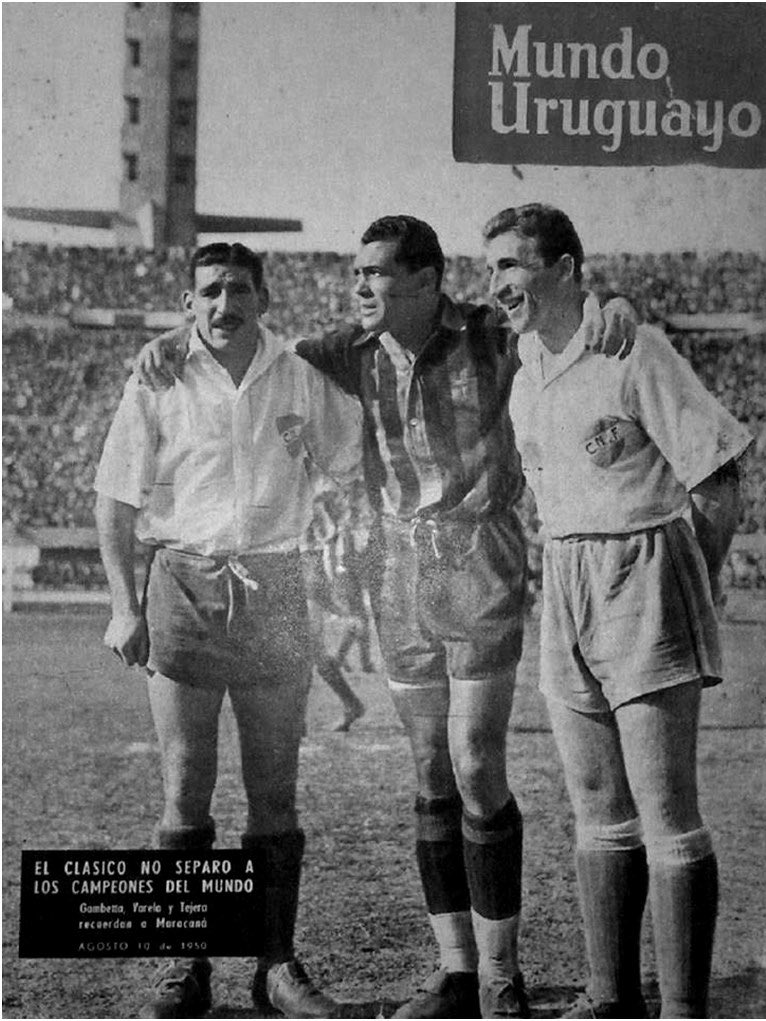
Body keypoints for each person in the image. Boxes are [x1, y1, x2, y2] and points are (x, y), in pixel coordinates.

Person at [135, 216, 636, 1020]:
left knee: (475, 760)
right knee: (430, 770)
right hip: (401, 570)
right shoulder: (341, 353)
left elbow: (566, 319)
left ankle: (502, 971)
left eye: (375, 276)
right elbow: (244, 338)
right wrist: (175, 333)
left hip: (480, 559)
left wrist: (612, 305)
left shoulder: (487, 335)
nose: (359, 289)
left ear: (428, 281)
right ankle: (455, 970)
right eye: (356, 276)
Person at [486, 203, 752, 1019]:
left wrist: (686, 584)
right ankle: (611, 995)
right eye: (490, 268)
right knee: (597, 807)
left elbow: (718, 484)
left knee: (666, 810)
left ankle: (682, 1007)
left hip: (643, 565)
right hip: (564, 575)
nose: (498, 284)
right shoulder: (524, 364)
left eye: (514, 266)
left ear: (567, 268)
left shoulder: (635, 346)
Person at [95, 242, 363, 1020]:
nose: (223, 304)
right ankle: (186, 964)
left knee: (274, 792)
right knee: (185, 789)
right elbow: (115, 499)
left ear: (263, 297)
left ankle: (275, 965)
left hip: (276, 584)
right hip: (182, 580)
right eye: (208, 292)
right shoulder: (158, 379)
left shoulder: (302, 374)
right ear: (187, 304)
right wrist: (123, 605)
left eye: (237, 289)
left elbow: (352, 462)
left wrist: (323, 478)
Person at [302, 488, 370, 733]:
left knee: (313, 657)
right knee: (306, 658)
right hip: (305, 583)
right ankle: (348, 705)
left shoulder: (312, 504)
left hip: (308, 586)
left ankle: (351, 704)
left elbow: (327, 540)